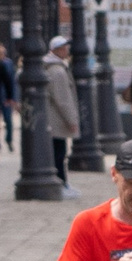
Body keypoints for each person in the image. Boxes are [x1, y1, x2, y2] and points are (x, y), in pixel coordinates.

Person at [46, 37, 82, 181]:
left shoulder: (52, 67)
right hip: (58, 120)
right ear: (59, 50)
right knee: (59, 152)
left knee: (57, 151)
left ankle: (61, 180)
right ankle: (61, 181)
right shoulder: (58, 71)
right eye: (65, 47)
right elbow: (63, 99)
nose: (67, 50)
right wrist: (71, 120)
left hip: (52, 118)